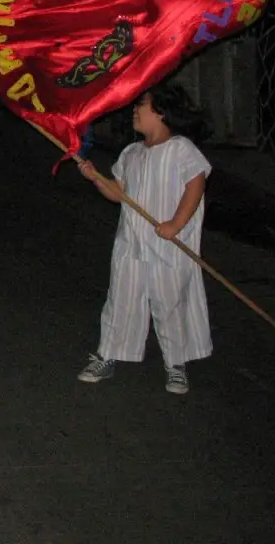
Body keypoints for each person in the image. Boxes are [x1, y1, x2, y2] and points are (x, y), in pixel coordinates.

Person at [76, 85, 212, 395]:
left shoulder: (181, 149)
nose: (135, 110)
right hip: (131, 244)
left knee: (170, 304)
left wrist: (176, 224)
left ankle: (176, 363)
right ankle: (109, 353)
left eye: (142, 105)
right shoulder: (131, 153)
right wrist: (96, 178)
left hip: (167, 247)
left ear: (162, 112)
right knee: (120, 299)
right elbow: (117, 193)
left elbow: (196, 184)